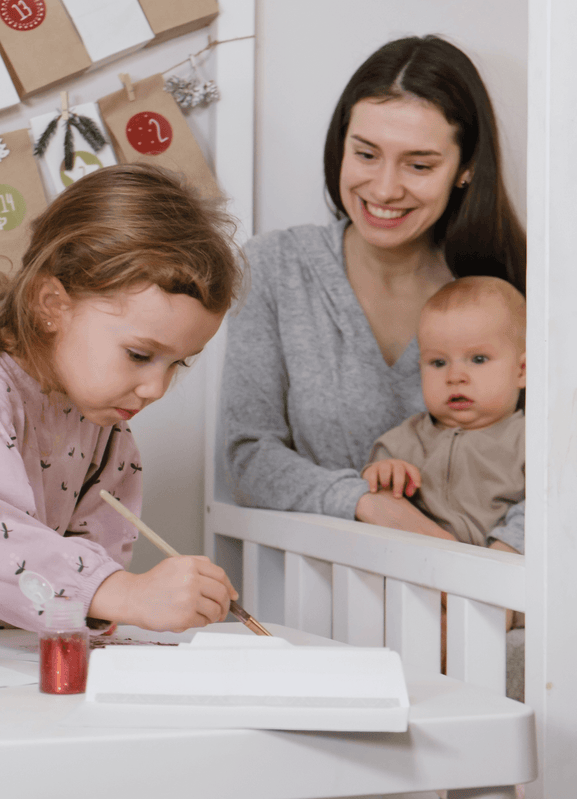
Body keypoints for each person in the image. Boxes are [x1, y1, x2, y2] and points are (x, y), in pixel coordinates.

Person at [0, 164, 243, 634]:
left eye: (177, 363)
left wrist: (114, 603)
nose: (156, 388)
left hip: (14, 669)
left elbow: (97, 548)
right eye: (140, 354)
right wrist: (124, 593)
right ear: (52, 305)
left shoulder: (102, 419)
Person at [222, 35, 526, 546]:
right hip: (323, 593)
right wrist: (369, 505)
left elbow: (558, 473)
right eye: (366, 154)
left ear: (466, 168)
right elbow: (250, 454)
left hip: (486, 609)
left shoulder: (508, 293)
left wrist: (493, 572)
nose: (384, 189)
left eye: (419, 165)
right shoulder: (277, 266)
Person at [362, 276, 525, 554]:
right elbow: (370, 492)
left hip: (497, 581)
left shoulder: (530, 440)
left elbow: (551, 506)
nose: (455, 376)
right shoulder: (406, 440)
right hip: (415, 578)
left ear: (521, 371)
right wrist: (382, 473)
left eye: (478, 359)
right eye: (438, 362)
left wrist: (508, 550)